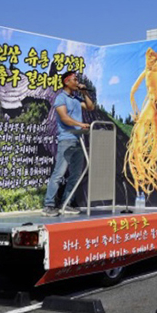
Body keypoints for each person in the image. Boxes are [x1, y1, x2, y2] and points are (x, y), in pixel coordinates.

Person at [42, 71, 95, 217]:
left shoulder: (77, 99)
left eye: (77, 80)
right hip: (66, 139)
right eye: (75, 80)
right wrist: (80, 124)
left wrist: (84, 92)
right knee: (59, 173)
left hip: (79, 140)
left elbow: (90, 107)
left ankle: (66, 203)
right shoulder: (61, 98)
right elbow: (65, 118)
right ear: (66, 82)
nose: (77, 82)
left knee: (76, 174)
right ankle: (48, 205)